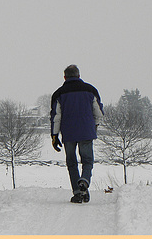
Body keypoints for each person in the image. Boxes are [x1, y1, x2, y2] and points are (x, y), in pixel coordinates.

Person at [50, 64, 104, 204]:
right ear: (79, 76)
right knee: (87, 160)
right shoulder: (90, 90)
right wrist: (94, 126)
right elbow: (98, 113)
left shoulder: (59, 94)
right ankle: (84, 182)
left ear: (65, 77)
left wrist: (54, 136)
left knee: (72, 162)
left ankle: (77, 192)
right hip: (86, 131)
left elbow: (56, 116)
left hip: (69, 133)